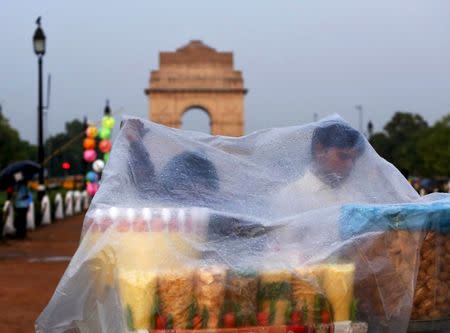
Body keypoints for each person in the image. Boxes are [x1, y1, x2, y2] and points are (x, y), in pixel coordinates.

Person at [275, 122, 365, 214]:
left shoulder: (356, 196)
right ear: (319, 151)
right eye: (343, 156)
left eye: (354, 159)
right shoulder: (292, 195)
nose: (349, 165)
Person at [13, 173, 31, 239]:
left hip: (20, 206)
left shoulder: (19, 186)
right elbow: (28, 196)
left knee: (20, 220)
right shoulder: (24, 186)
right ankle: (22, 234)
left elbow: (15, 196)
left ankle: (20, 234)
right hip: (23, 205)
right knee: (23, 220)